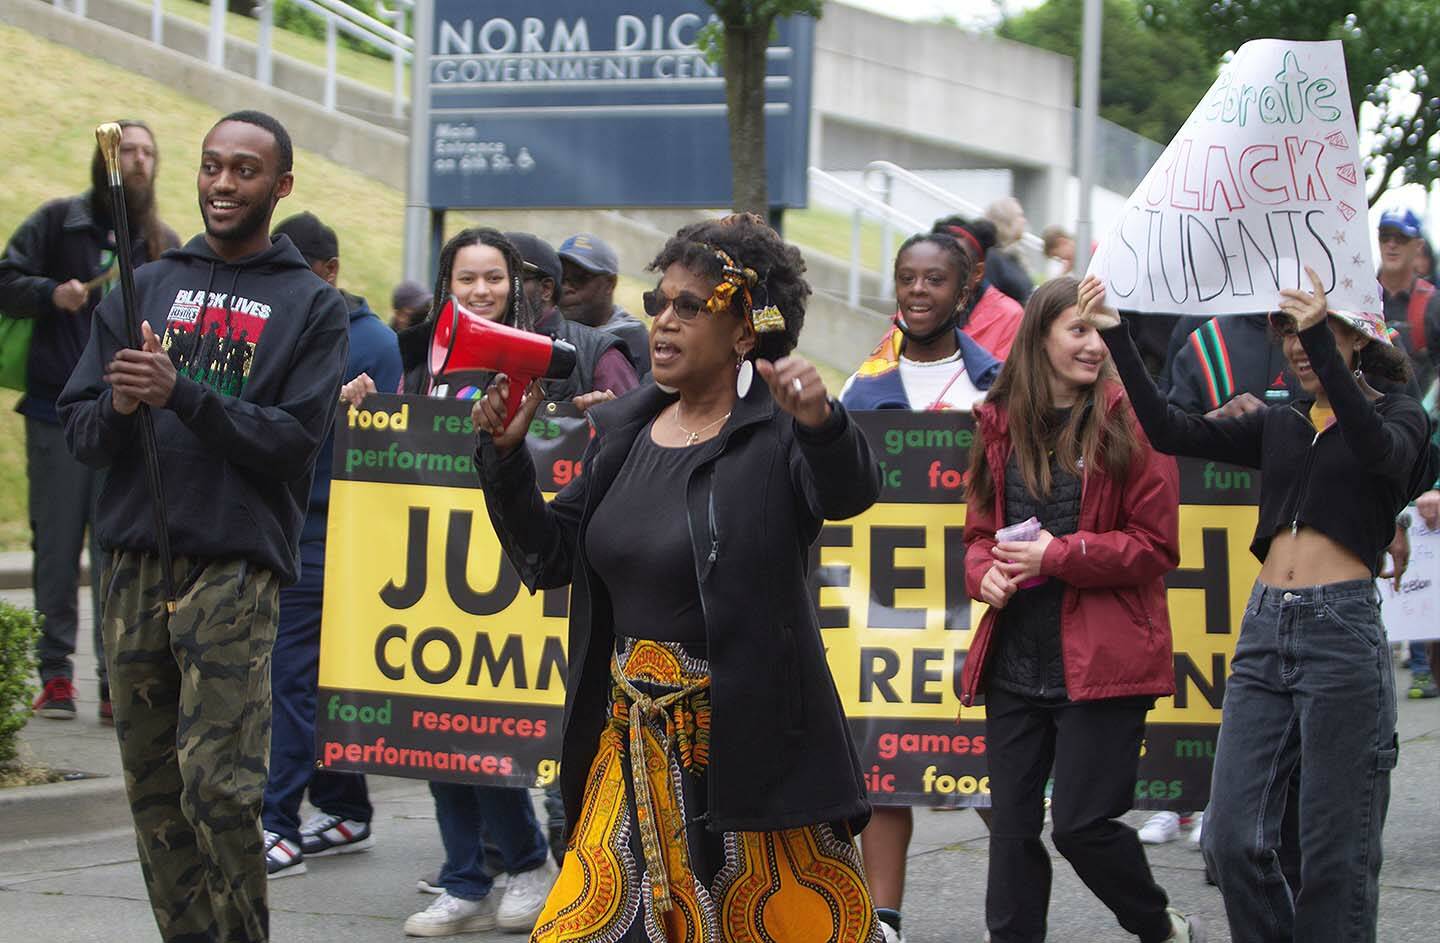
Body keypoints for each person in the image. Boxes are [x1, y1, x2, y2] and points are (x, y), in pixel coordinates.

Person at [473, 213, 884, 942]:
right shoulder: (625, 431)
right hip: (629, 744)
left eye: (689, 307)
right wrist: (504, 461)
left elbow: (849, 491)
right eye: (659, 302)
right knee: (576, 929)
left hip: (750, 750)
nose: (662, 321)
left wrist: (822, 421)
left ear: (745, 334)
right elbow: (551, 556)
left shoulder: (781, 432)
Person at [58, 110, 349, 943]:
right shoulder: (144, 286)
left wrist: (181, 391)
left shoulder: (311, 306)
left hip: (232, 569)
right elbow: (82, 432)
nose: (224, 184)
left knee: (217, 785)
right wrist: (118, 400)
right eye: (213, 166)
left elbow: (292, 443)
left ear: (281, 185)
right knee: (153, 790)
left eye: (245, 170)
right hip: (130, 561)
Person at [1084, 269, 1431, 943]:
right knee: (1232, 841)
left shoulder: (1398, 414)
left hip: (1342, 633)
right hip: (1265, 628)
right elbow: (1166, 426)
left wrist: (1328, 352)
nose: (1297, 345)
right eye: (1286, 331)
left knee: (1337, 856)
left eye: (1315, 330)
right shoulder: (1281, 422)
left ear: (1357, 337)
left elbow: (1379, 454)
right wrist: (1117, 333)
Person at [958, 276, 1199, 943]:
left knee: (1080, 825)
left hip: (1104, 661)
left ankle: (1160, 924)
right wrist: (987, 578)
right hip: (1015, 659)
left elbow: (1155, 546)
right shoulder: (997, 422)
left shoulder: (1134, 420)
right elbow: (978, 537)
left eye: (1102, 331)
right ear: (1040, 337)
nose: (1095, 345)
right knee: (1009, 827)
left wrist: (1056, 557)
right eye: (1079, 329)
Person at [0, 119, 179, 722]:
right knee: (55, 546)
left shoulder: (161, 243)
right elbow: (5, 279)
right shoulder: (58, 222)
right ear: (105, 157)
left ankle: (114, 678)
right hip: (57, 412)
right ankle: (55, 675)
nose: (137, 161)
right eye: (127, 150)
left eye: (147, 153)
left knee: (119, 550)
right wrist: (50, 293)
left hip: (128, 421)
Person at [260, 212, 402, 879]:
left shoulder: (367, 340)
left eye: (295, 270)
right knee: (313, 678)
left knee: (292, 679)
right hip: (287, 524)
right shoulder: (304, 321)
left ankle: (277, 825)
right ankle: (344, 806)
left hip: (325, 531)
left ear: (328, 271)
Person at [841, 231, 1000, 414]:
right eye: (906, 279)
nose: (917, 289)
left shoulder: (997, 389)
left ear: (962, 297)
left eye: (934, 280)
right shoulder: (858, 389)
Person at [505, 231, 638, 401]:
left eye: (512, 279)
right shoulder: (471, 344)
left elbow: (630, 421)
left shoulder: (600, 356)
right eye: (491, 278)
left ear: (546, 289)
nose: (492, 289)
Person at [557, 232, 651, 378]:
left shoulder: (633, 342)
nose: (566, 288)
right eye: (561, 277)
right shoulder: (551, 332)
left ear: (610, 284)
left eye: (579, 278)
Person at [932, 216, 1025, 359]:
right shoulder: (917, 306)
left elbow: (1003, 378)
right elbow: (886, 366)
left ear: (977, 272)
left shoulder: (1009, 315)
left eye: (956, 266)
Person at [1377, 208, 1440, 385]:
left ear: (1418, 246)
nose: (1392, 244)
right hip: (1366, 410)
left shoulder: (1434, 304)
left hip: (1420, 408)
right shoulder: (1359, 300)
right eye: (1385, 236)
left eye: (1401, 238)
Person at [983, 196, 1035, 303]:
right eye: (1019, 216)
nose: (1024, 221)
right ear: (1004, 221)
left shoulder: (1014, 255)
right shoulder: (991, 258)